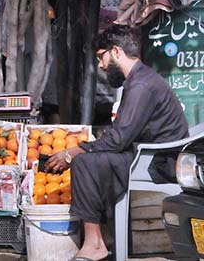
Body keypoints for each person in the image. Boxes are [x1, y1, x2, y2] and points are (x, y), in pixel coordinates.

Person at [46, 25, 188, 261]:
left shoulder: (141, 84)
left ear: (116, 51)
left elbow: (120, 138)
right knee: (93, 161)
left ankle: (95, 244)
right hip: (146, 154)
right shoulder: (138, 79)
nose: (101, 65)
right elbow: (122, 134)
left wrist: (75, 150)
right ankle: (105, 239)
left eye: (101, 57)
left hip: (158, 161)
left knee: (84, 163)